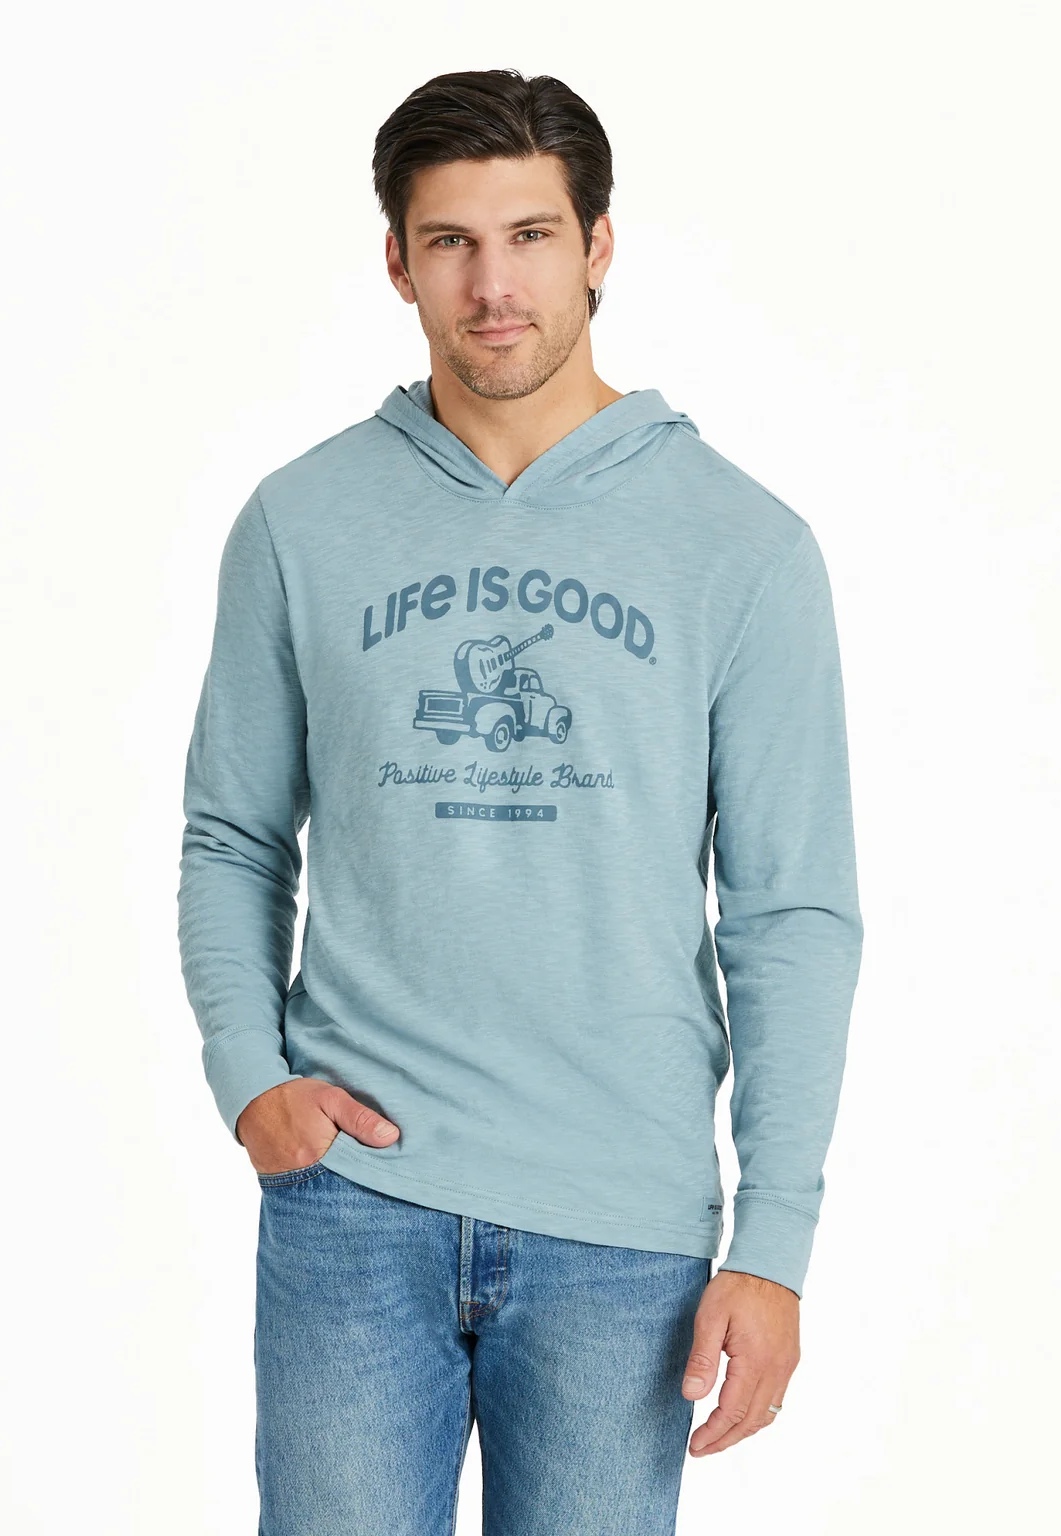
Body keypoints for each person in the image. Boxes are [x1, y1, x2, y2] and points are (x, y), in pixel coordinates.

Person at [177, 67, 864, 1536]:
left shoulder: (742, 545)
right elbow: (234, 832)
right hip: (354, 1203)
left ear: (598, 244)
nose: (494, 287)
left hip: (624, 1230)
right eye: (452, 242)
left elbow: (790, 913)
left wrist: (775, 1243)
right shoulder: (301, 520)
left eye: (533, 236)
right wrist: (250, 1078)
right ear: (397, 260)